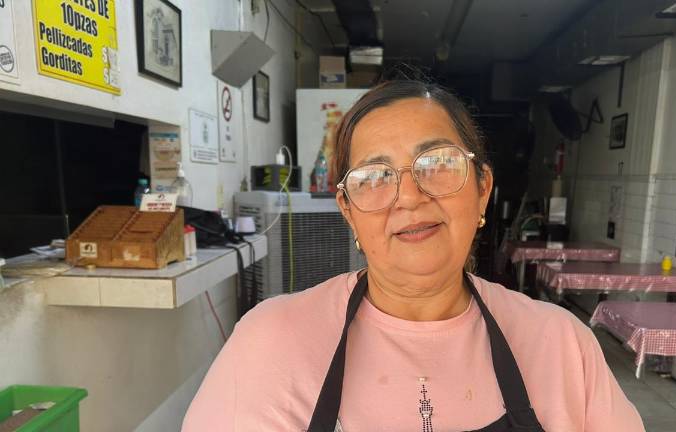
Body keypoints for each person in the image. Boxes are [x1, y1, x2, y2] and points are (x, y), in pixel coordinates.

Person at [182, 80, 645, 431]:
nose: (408, 197)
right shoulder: (269, 342)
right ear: (348, 210)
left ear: (482, 189)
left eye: (438, 164)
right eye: (374, 176)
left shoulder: (562, 345)